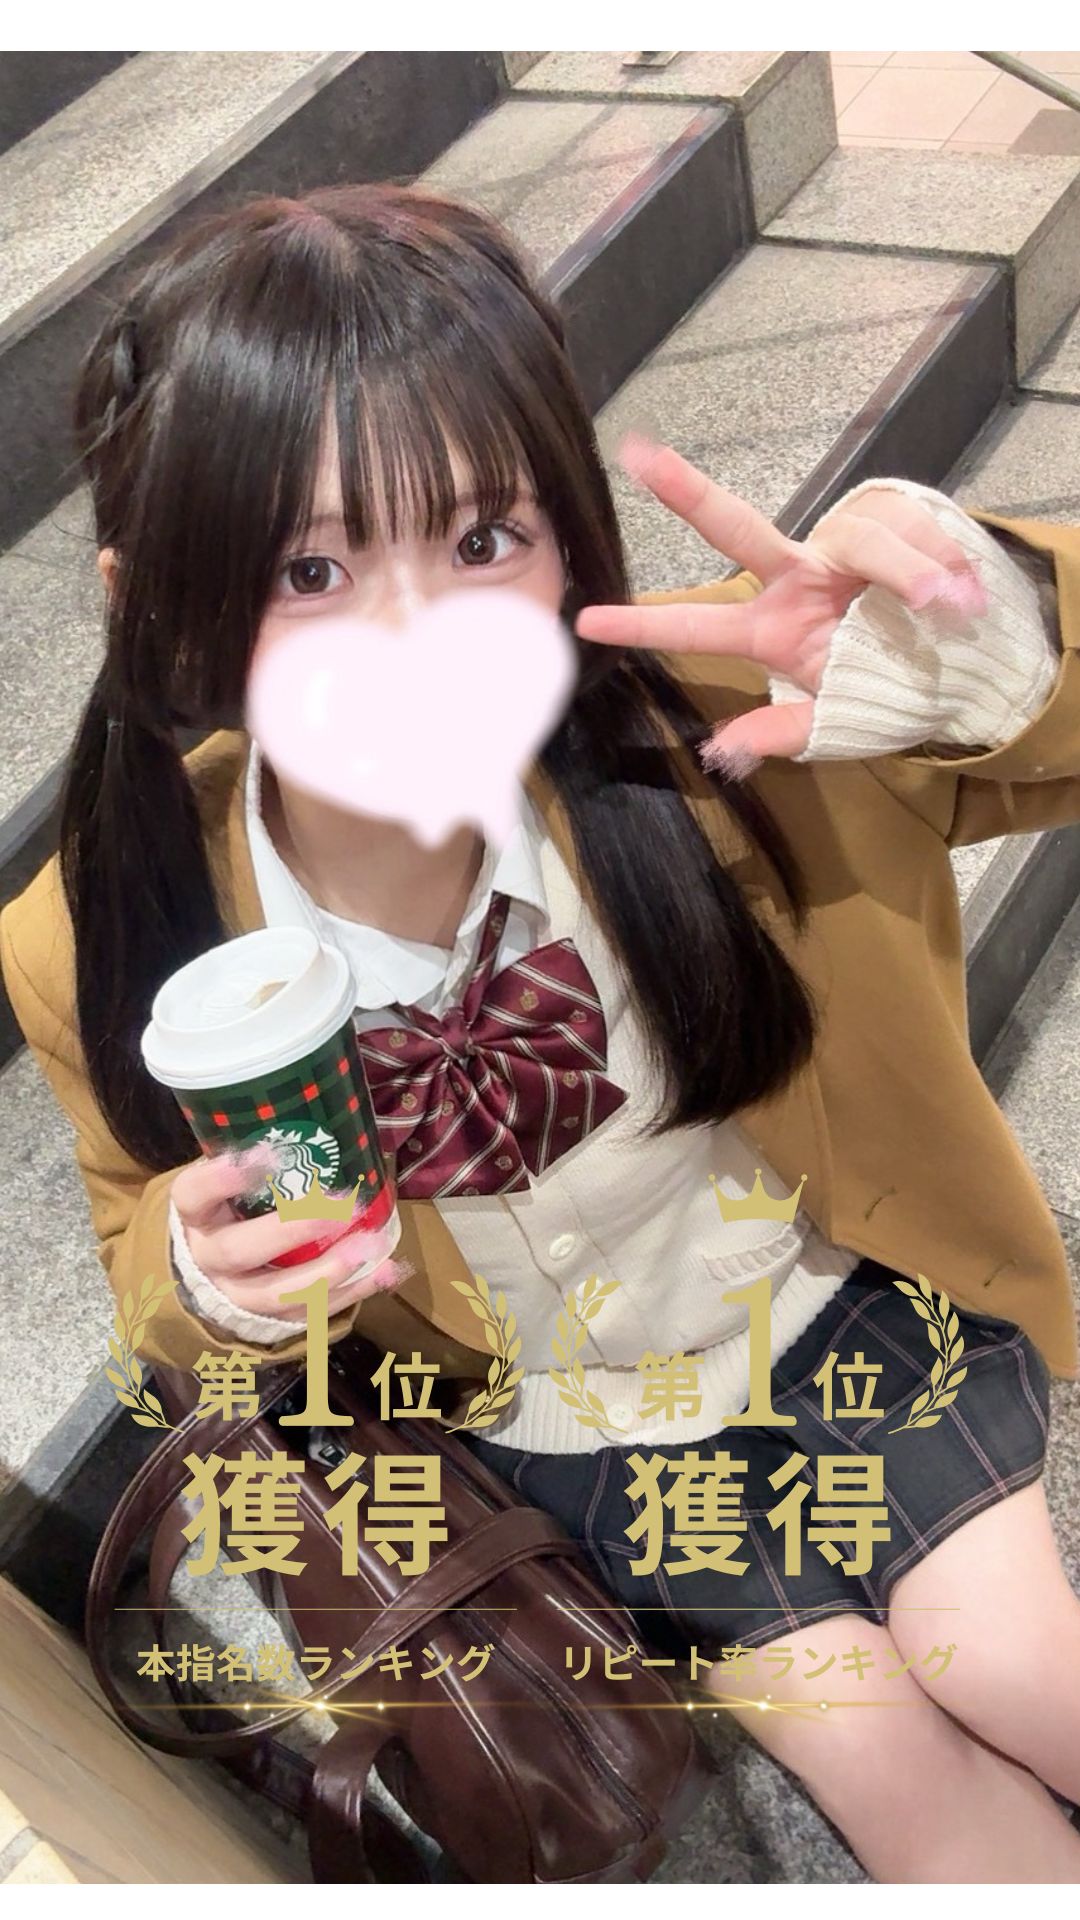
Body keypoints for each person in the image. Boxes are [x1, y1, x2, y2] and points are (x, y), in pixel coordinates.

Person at [3, 181, 1080, 1884]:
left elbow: (1041, 743)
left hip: (821, 1307)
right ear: (164, 604)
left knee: (1022, 1666)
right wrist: (212, 1279)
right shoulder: (100, 934)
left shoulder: (721, 726)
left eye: (483, 539)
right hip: (577, 1424)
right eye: (309, 567)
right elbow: (138, 1231)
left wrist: (982, 648)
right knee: (894, 1776)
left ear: (568, 531)